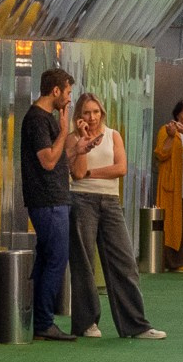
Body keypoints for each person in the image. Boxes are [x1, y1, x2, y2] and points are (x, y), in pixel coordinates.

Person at [67, 93, 168, 340]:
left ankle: (135, 325)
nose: (91, 117)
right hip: (81, 200)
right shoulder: (73, 139)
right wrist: (82, 142)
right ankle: (86, 323)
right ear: (79, 117)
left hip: (110, 202)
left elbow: (121, 169)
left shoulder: (113, 136)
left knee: (124, 262)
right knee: (84, 264)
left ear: (102, 112)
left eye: (95, 112)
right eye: (85, 113)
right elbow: (78, 173)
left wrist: (92, 171)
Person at [19, 67, 79, 340]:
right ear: (55, 91)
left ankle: (40, 319)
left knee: (47, 258)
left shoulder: (45, 119)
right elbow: (48, 160)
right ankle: (44, 322)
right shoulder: (38, 120)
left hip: (53, 199)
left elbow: (59, 156)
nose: (68, 99)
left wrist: (80, 146)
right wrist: (65, 130)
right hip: (48, 200)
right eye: (67, 93)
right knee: (56, 259)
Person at [153, 99, 183, 272]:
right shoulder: (167, 130)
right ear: (177, 115)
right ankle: (178, 261)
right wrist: (172, 136)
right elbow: (161, 154)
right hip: (176, 186)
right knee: (176, 224)